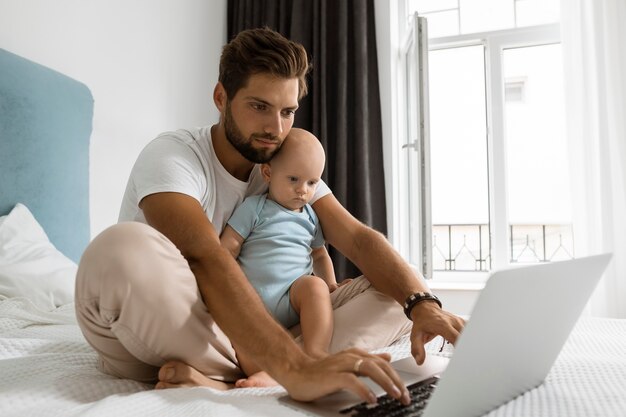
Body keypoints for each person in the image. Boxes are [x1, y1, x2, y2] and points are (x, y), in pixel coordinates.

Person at [74, 27, 465, 405]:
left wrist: (422, 303)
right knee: (118, 249)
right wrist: (294, 366)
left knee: (396, 286)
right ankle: (288, 364)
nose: (275, 128)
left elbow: (358, 239)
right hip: (173, 320)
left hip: (250, 334)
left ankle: (238, 375)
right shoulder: (174, 156)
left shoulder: (280, 166)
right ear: (221, 97)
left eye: (288, 111)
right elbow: (205, 257)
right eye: (259, 107)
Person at [221, 128, 347, 388]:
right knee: (239, 339)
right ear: (268, 173)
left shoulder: (310, 216)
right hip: (253, 303)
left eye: (312, 183)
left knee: (315, 286)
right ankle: (271, 372)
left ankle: (315, 357)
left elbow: (320, 254)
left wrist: (331, 285)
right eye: (293, 179)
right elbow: (228, 247)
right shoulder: (255, 208)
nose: (303, 190)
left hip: (292, 298)